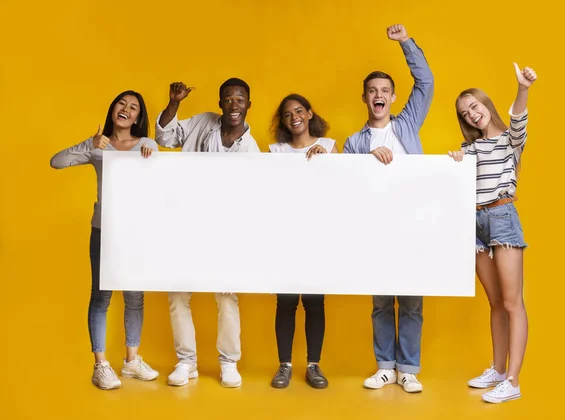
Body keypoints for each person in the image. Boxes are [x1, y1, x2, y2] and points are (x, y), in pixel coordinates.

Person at [343, 23, 434, 393]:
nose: (378, 96)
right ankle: (384, 366)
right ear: (364, 98)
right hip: (375, 228)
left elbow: (426, 82)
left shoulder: (408, 125)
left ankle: (408, 368)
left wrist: (405, 43)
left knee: (411, 301)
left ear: (393, 98)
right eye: (372, 91)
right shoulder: (354, 141)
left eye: (385, 91)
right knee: (382, 302)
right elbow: (345, 184)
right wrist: (367, 158)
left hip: (412, 223)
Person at [153, 78, 260, 387]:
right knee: (177, 294)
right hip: (186, 225)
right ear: (220, 104)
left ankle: (229, 362)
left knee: (226, 296)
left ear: (248, 105)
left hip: (225, 234)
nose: (234, 104)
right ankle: (187, 362)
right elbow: (165, 137)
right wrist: (174, 103)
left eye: (240, 99)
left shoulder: (251, 150)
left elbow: (252, 198)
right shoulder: (202, 123)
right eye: (228, 99)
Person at [50, 90, 159, 390]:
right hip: (104, 229)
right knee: (101, 296)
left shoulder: (146, 145)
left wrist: (151, 158)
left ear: (139, 117)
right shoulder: (100, 146)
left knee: (135, 296)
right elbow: (56, 162)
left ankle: (131, 360)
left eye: (133, 107)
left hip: (135, 232)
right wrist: (89, 143)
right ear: (113, 109)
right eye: (122, 104)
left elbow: (159, 182)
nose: (126, 109)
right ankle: (101, 365)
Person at [449, 63, 537, 403]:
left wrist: (523, 88)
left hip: (501, 217)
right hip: (475, 223)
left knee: (513, 302)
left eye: (475, 106)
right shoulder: (470, 149)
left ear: (486, 104)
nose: (472, 114)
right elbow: (455, 183)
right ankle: (499, 370)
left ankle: (512, 382)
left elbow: (518, 122)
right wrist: (456, 160)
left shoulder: (509, 140)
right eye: (465, 113)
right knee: (496, 302)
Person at [267, 94, 338, 389]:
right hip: (285, 235)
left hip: (317, 236)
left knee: (314, 302)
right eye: (287, 114)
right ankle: (284, 365)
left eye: (299, 110)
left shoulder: (331, 147)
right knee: (285, 303)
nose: (294, 116)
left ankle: (313, 365)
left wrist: (328, 163)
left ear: (310, 114)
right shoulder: (275, 151)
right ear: (283, 122)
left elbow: (342, 188)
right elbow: (269, 191)